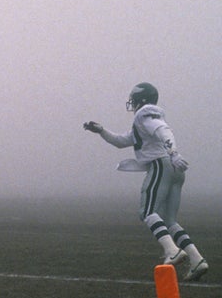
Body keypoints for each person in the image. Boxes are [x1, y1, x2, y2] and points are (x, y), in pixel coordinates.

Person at [84, 82, 207, 281]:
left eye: (134, 99)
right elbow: (121, 141)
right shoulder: (142, 122)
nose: (131, 103)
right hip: (173, 168)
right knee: (170, 221)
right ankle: (196, 259)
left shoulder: (145, 115)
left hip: (162, 164)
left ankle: (172, 251)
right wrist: (101, 130)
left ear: (141, 99)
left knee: (147, 211)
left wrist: (173, 152)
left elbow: (163, 131)